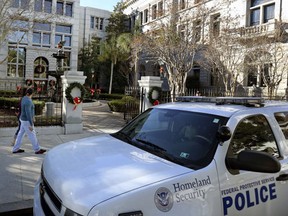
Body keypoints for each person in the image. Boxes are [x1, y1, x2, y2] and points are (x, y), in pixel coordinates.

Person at [12, 88, 46, 154]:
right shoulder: (28, 101)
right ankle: (37, 149)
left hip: (22, 119)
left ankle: (15, 149)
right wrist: (31, 124)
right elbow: (28, 113)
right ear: (32, 94)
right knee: (32, 135)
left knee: (20, 134)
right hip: (26, 121)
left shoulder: (24, 98)